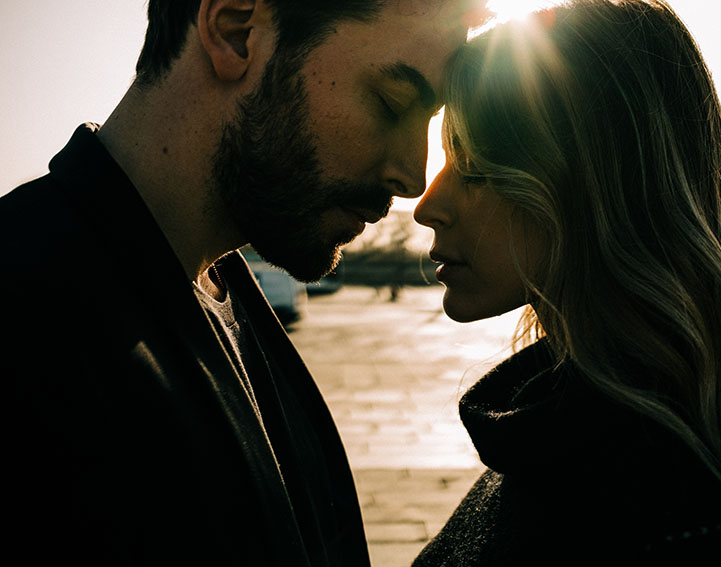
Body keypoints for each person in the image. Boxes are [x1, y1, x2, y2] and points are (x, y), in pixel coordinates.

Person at [1, 0, 482, 564]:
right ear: (234, 32)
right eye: (391, 102)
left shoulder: (222, 291)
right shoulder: (25, 318)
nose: (412, 174)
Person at [412, 1, 721, 564]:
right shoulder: (579, 435)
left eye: (476, 167)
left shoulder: (673, 511)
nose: (426, 206)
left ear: (598, 187)